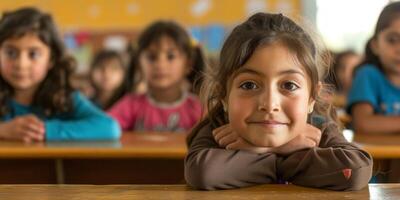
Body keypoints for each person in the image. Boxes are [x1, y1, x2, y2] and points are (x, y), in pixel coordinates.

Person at [184, 13, 372, 191]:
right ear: (223, 95)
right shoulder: (220, 127)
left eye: (289, 86)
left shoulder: (318, 127)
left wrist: (262, 152)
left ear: (312, 97)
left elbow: (354, 170)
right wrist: (280, 152)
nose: (269, 103)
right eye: (249, 85)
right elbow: (204, 172)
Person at [0, 7, 120, 142]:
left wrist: (43, 131)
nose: (21, 64)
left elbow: (109, 128)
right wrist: (3, 129)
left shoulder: (64, 98)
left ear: (51, 59)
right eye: (11, 53)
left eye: (33, 54)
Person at [108, 21, 204, 132]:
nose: (160, 65)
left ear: (188, 64)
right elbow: (104, 128)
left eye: (170, 56)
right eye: (151, 57)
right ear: (139, 65)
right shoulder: (130, 106)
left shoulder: (199, 109)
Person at [347, 2, 400, 182]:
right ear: (376, 44)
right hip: (371, 175)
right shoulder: (368, 75)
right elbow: (363, 123)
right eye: (392, 39)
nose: (399, 48)